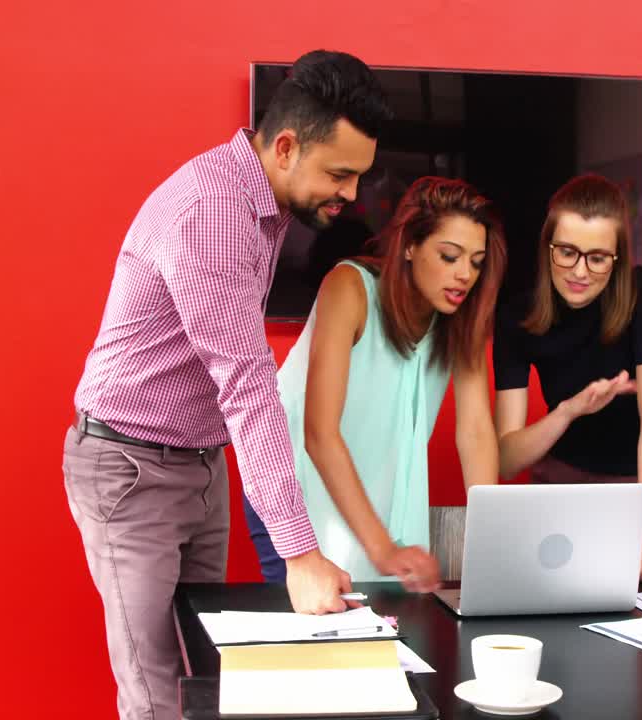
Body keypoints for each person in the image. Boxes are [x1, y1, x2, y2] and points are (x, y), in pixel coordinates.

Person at [62, 50, 391, 720]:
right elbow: (247, 385)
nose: (352, 193)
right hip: (129, 469)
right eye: (339, 174)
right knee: (156, 693)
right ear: (286, 147)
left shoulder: (264, 204)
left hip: (198, 461)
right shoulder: (213, 211)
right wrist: (300, 554)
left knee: (208, 676)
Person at [243, 176, 506, 587]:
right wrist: (382, 549)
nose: (464, 275)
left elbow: (474, 432)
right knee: (318, 623)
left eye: (476, 262)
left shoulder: (460, 317)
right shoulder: (349, 287)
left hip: (371, 489)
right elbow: (319, 435)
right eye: (449, 256)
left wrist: (491, 540)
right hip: (290, 488)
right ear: (410, 245)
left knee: (389, 624)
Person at [492, 174, 642, 589]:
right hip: (557, 489)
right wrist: (567, 412)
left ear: (617, 258)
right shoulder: (517, 315)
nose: (580, 271)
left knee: (634, 605)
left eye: (597, 258)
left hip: (636, 491)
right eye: (567, 253)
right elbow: (506, 459)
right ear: (548, 248)